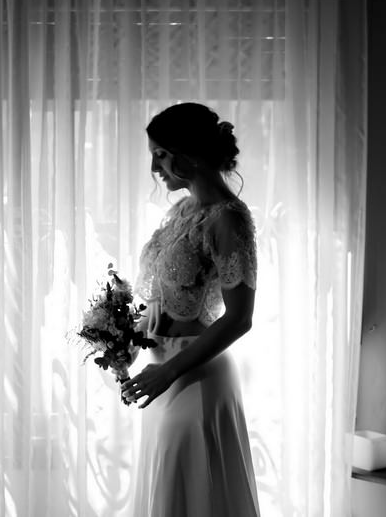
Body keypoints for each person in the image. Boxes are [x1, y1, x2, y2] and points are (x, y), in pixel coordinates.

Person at [122, 102, 260, 516]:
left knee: (190, 494)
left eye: (161, 154)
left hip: (195, 378)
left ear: (191, 153)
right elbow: (161, 295)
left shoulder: (229, 220)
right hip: (161, 376)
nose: (154, 166)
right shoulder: (181, 211)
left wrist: (168, 370)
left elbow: (240, 318)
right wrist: (128, 338)